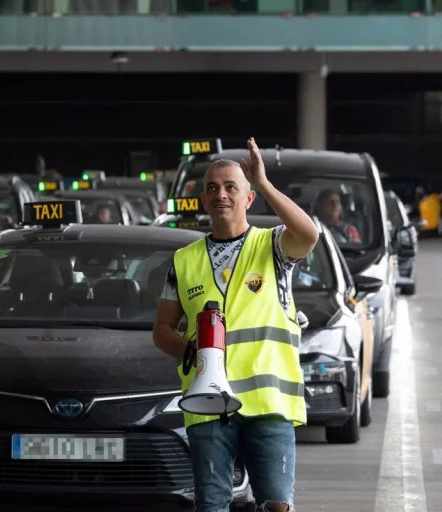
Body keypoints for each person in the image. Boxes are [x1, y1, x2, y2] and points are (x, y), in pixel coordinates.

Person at [152, 138, 319, 512]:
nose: (220, 194)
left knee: (276, 505)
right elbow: (162, 329)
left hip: (267, 404)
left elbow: (309, 236)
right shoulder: (184, 260)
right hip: (207, 403)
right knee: (211, 506)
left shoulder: (273, 246)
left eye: (231, 187)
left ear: (248, 198)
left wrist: (264, 182)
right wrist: (190, 351)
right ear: (204, 200)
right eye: (212, 188)